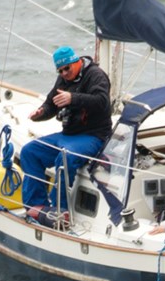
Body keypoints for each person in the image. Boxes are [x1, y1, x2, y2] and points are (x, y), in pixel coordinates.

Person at [21, 46, 112, 226]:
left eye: (67, 69)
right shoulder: (63, 79)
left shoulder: (96, 75)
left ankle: (59, 209)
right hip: (68, 134)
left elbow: (102, 101)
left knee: (65, 157)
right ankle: (36, 205)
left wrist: (73, 98)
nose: (64, 73)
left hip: (93, 136)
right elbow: (51, 104)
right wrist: (41, 113)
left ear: (76, 62)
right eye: (60, 70)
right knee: (29, 151)